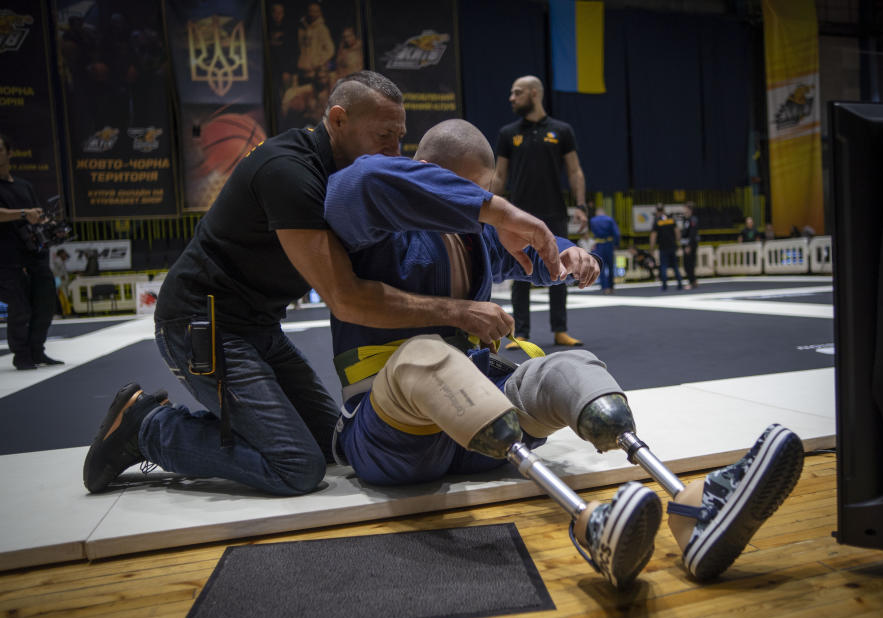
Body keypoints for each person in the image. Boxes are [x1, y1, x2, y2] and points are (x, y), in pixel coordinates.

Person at [322, 119, 806, 589]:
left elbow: (526, 250)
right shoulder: (370, 214)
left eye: (485, 195)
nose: (480, 209)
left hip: (475, 437)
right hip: (388, 434)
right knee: (426, 355)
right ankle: (587, 521)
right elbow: (359, 180)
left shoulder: (471, 234)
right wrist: (497, 213)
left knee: (568, 367)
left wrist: (568, 254)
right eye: (471, 197)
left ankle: (691, 505)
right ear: (423, 171)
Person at [81, 72, 561, 497]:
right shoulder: (289, 172)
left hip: (259, 326)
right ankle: (148, 428)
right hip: (201, 324)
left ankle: (241, 430)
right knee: (295, 467)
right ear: (338, 119)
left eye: (401, 137)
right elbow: (347, 299)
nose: (396, 152)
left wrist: (542, 244)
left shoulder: (347, 173)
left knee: (336, 444)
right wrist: (458, 307)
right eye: (384, 136)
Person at [493, 75, 588, 348]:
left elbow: (574, 170)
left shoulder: (561, 130)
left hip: (553, 211)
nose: (511, 98)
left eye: (517, 92)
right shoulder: (508, 133)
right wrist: (490, 211)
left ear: (534, 94)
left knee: (561, 269)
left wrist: (580, 206)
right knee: (519, 270)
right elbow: (499, 176)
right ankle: (521, 332)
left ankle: (560, 330)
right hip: (518, 214)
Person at [0, 133, 63, 370]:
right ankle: (22, 355)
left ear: (9, 153)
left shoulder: (24, 186)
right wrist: (24, 213)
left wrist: (48, 226)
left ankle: (37, 351)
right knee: (20, 308)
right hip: (7, 260)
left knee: (45, 304)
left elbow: (36, 217)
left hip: (35, 254)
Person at [649, 203, 683, 291]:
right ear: (664, 210)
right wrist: (678, 242)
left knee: (663, 266)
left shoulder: (657, 221)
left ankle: (664, 285)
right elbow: (677, 232)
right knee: (675, 266)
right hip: (672, 246)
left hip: (663, 247)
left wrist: (651, 248)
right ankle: (680, 284)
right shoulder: (671, 219)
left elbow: (653, 235)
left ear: (657, 211)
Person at [588, 207, 620, 294]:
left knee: (601, 266)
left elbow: (593, 232)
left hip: (599, 245)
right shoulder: (609, 219)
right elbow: (617, 233)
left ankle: (605, 288)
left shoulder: (593, 220)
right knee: (610, 266)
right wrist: (616, 244)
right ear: (604, 212)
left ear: (597, 213)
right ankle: (612, 287)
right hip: (609, 244)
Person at [680, 201, 700, 289]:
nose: (684, 211)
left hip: (690, 245)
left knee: (688, 264)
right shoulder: (686, 219)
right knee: (687, 264)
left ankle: (692, 283)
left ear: (690, 210)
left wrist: (689, 246)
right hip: (686, 244)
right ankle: (694, 281)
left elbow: (692, 233)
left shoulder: (693, 219)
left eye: (685, 209)